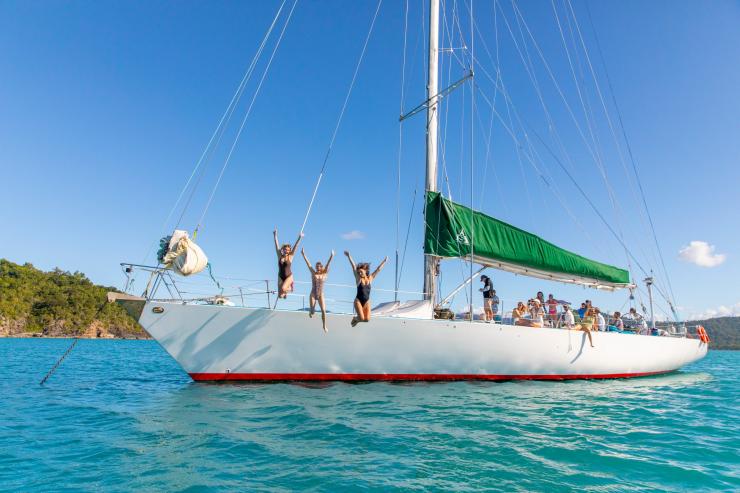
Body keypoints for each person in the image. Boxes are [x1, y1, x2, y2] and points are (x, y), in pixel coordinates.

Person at [345, 250, 387, 327]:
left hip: (367, 301)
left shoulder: (370, 278)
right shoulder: (358, 279)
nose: (359, 273)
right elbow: (353, 267)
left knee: (367, 319)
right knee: (361, 318)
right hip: (358, 300)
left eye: (361, 272)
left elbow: (378, 270)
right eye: (358, 272)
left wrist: (384, 261)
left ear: (365, 271)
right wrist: (349, 256)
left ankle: (356, 319)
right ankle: (356, 318)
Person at [301, 248, 334, 332]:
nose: (318, 268)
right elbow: (308, 264)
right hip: (313, 293)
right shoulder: (313, 273)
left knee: (323, 311)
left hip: (320, 294)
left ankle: (324, 326)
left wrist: (331, 256)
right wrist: (303, 254)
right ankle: (311, 311)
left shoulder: (324, 274)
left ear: (321, 267)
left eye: (319, 266)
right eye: (316, 266)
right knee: (313, 312)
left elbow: (328, 264)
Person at [273, 228, 303, 299]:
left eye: (288, 250)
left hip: (289, 276)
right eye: (285, 249)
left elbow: (296, 246)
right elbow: (277, 246)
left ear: (289, 251)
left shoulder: (290, 257)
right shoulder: (279, 256)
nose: (286, 251)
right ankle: (285, 291)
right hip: (280, 276)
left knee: (283, 288)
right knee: (280, 296)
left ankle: (290, 288)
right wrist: (275, 236)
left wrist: (299, 238)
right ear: (282, 250)